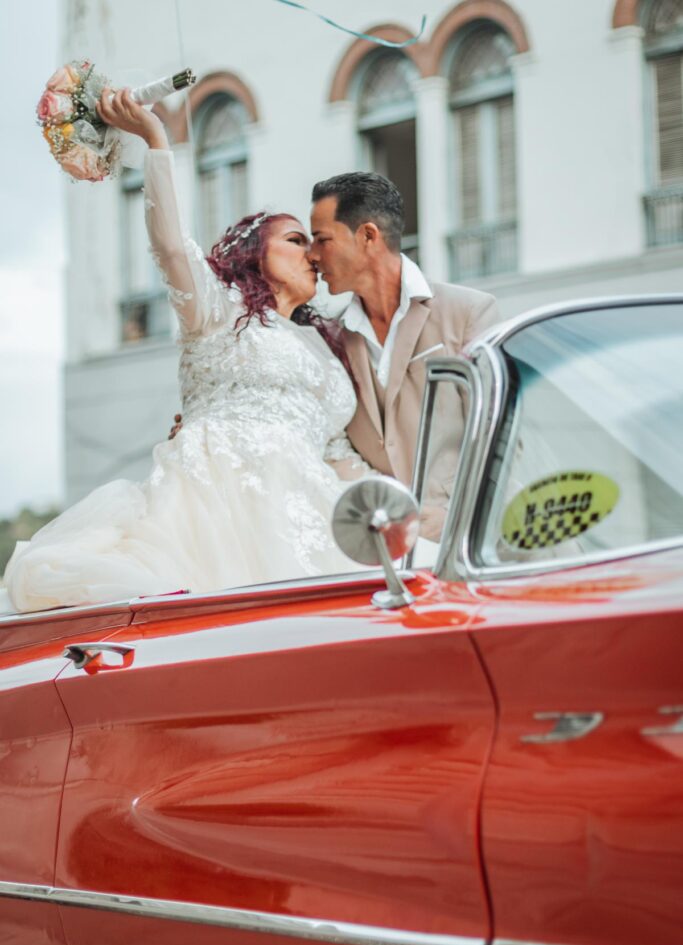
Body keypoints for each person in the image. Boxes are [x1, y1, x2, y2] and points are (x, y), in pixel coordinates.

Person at [2, 89, 369, 614]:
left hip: (311, 518)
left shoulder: (326, 348)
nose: (311, 253)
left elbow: (340, 457)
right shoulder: (216, 311)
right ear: (253, 253)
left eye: (313, 243)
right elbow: (171, 246)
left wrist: (395, 516)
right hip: (215, 515)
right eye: (293, 239)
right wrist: (155, 140)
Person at [309, 172, 501, 535]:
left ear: (368, 236)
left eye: (322, 240)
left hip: (469, 541)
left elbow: (501, 434)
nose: (312, 255)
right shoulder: (330, 338)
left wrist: (466, 518)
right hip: (385, 548)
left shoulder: (468, 313)